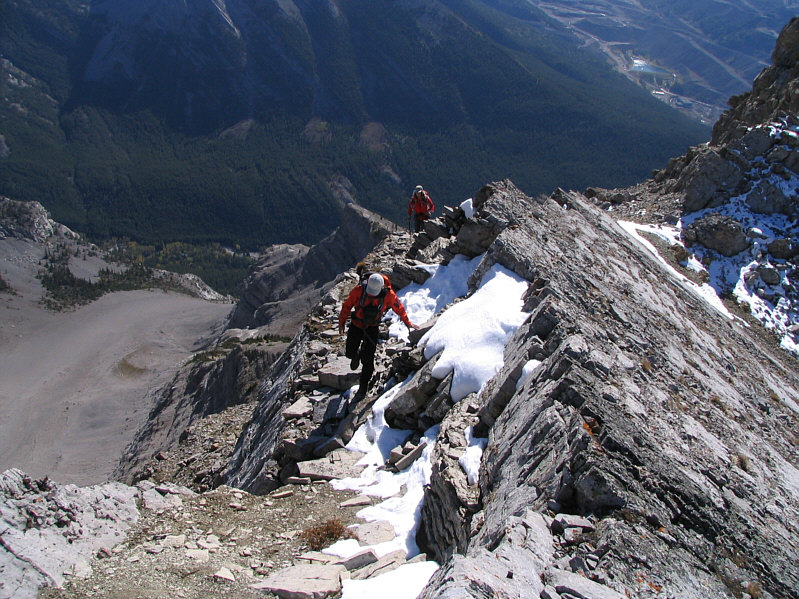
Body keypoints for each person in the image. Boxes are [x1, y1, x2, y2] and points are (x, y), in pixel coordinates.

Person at [338, 272, 419, 399]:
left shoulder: (388, 294)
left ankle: (362, 388)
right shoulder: (359, 290)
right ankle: (356, 354)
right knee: (349, 353)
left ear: (382, 287)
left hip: (372, 327)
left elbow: (399, 308)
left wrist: (408, 323)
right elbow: (347, 305)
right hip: (356, 325)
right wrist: (341, 322)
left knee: (368, 360)